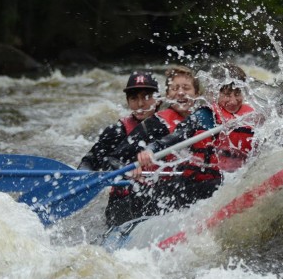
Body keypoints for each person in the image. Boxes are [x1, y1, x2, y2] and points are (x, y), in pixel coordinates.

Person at [106, 63, 256, 228]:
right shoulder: (201, 117)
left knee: (235, 182)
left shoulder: (253, 116)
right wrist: (149, 151)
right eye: (226, 95)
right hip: (195, 184)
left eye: (237, 93)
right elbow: (171, 139)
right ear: (214, 93)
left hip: (227, 181)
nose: (233, 101)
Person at [103, 65, 201, 226]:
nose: (180, 92)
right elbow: (112, 158)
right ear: (168, 95)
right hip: (143, 198)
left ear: (197, 94)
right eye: (174, 88)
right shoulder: (156, 123)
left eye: (186, 88)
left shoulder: (205, 119)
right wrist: (129, 169)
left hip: (183, 189)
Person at [78, 71, 160, 171]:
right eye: (134, 98)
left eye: (146, 97)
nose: (140, 104)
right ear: (128, 102)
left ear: (157, 100)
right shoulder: (116, 131)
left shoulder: (169, 126)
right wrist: (125, 168)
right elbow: (90, 161)